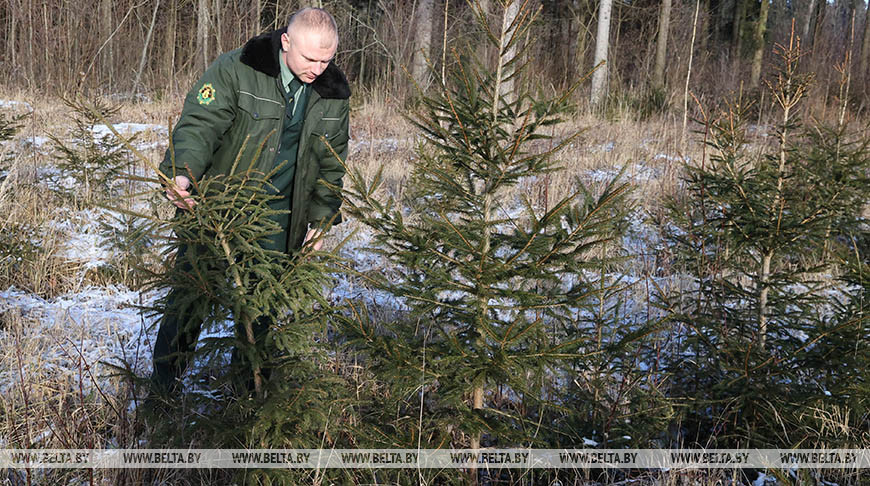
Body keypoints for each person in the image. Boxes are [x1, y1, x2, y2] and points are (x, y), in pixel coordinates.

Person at [151, 7, 350, 393]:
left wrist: (320, 221)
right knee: (189, 303)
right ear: (286, 42)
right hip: (217, 210)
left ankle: (246, 402)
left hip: (280, 218)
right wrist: (181, 171)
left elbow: (332, 162)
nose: (318, 68)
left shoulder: (333, 92)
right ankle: (162, 395)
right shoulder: (238, 69)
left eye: (327, 59)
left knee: (259, 313)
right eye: (310, 58)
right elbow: (200, 122)